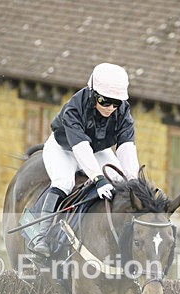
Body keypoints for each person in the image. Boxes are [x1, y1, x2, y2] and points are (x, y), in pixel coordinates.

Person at [28, 62, 140, 256]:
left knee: (122, 182)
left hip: (98, 149)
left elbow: (126, 148)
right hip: (65, 148)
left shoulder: (123, 112)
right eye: (105, 101)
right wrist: (98, 178)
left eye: (116, 103)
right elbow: (80, 148)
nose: (111, 107)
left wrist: (134, 180)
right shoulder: (75, 107)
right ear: (93, 93)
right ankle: (41, 236)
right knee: (64, 182)